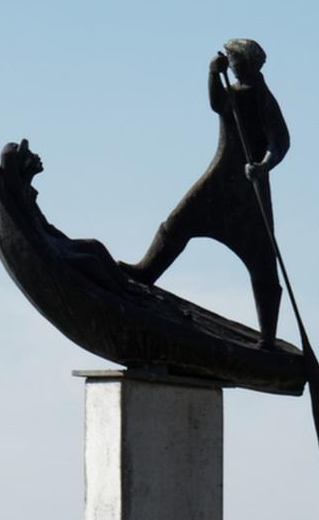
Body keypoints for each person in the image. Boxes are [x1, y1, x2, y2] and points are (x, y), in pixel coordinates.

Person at [123, 39, 290, 346]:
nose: (232, 66)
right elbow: (218, 104)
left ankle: (267, 337)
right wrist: (213, 73)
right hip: (220, 176)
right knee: (177, 223)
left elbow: (279, 141)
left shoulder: (262, 97)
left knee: (262, 259)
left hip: (248, 189)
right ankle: (146, 271)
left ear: (247, 64)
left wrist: (263, 166)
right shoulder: (234, 92)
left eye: (234, 61)